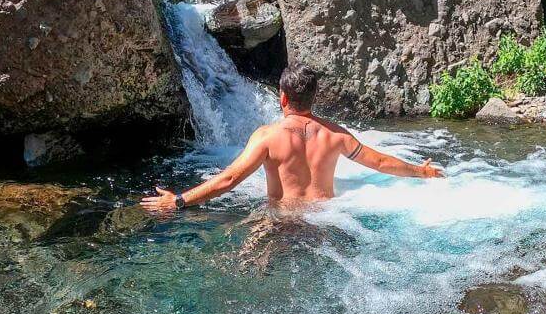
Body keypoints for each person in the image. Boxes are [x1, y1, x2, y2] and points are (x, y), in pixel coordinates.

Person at [140, 65, 443, 214]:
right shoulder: (335, 135)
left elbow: (229, 180)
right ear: (315, 97)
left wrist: (177, 201)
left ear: (282, 97)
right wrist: (422, 171)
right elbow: (378, 162)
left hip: (283, 222)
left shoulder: (268, 137)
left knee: (249, 263)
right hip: (327, 221)